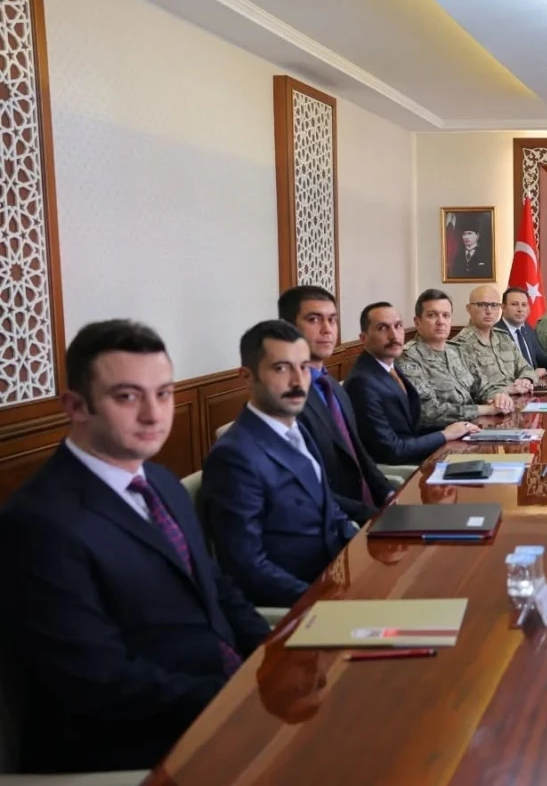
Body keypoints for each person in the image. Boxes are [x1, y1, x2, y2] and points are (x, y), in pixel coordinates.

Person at [0, 320, 269, 773]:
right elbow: (98, 682)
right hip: (133, 750)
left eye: (163, 394)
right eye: (127, 397)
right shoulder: (39, 523)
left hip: (219, 704)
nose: (153, 414)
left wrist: (272, 654)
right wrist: (238, 694)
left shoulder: (159, 480)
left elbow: (215, 585)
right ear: (75, 406)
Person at [202, 320, 357, 608]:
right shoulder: (234, 457)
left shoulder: (298, 429)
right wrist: (325, 598)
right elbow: (247, 567)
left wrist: (366, 549)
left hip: (339, 578)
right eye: (281, 368)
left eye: (304, 367)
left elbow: (329, 510)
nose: (298, 382)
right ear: (247, 377)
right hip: (300, 604)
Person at [278, 286, 394, 525]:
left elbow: (359, 455)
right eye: (314, 319)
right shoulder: (285, 401)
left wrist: (390, 495)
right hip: (336, 524)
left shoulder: (333, 386)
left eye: (332, 320)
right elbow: (307, 490)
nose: (327, 329)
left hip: (369, 513)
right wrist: (372, 516)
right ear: (288, 328)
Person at [345, 302, 479, 466]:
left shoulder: (389, 365)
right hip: (404, 469)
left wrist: (460, 428)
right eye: (382, 328)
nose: (394, 335)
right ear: (363, 338)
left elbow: (411, 426)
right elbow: (392, 451)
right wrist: (445, 435)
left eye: (398, 326)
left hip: (423, 454)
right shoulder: (362, 383)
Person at [400, 289, 516, 424]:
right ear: (417, 322)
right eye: (432, 315)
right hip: (441, 433)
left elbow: (484, 387)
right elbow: (427, 411)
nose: (441, 321)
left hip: (473, 428)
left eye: (446, 315)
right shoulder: (408, 357)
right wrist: (485, 410)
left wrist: (499, 397)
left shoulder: (457, 351)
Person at [452, 284, 539, 395]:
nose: (489, 311)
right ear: (469, 309)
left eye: (494, 305)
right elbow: (467, 389)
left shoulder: (504, 337)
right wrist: (506, 390)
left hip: (518, 399)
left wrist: (525, 380)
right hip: (490, 404)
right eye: (482, 305)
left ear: (500, 308)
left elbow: (526, 368)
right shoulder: (459, 345)